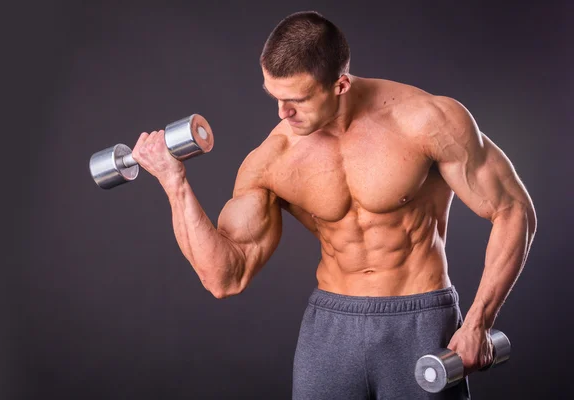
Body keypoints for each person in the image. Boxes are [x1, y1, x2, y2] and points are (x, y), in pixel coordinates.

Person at [131, 11, 537, 400]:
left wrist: (480, 322)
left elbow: (514, 210)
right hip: (330, 328)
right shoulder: (273, 160)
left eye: (298, 100)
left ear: (340, 84)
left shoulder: (426, 121)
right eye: (274, 97)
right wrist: (174, 182)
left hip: (420, 319)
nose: (282, 113)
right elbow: (225, 277)